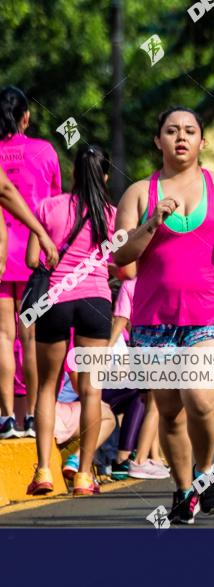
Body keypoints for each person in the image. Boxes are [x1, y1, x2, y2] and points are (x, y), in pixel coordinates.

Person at [114, 106, 214, 523]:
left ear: (202, 141)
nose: (181, 137)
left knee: (199, 397)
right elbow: (122, 256)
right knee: (170, 409)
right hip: (153, 320)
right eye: (171, 131)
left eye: (190, 131)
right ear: (158, 140)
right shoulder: (140, 193)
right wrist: (151, 223)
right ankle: (182, 489)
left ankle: (205, 471)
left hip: (210, 313)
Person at [25, 145, 133, 496]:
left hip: (55, 300)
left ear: (73, 173)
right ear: (104, 177)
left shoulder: (48, 207)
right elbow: (127, 267)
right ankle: (85, 475)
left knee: (46, 387)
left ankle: (43, 470)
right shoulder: (111, 214)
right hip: (96, 302)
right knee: (91, 390)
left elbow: (31, 259)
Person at [0, 86, 63, 439]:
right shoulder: (44, 151)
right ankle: (35, 417)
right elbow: (54, 206)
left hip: (0, 253)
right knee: (31, 338)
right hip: (35, 254)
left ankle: (7, 417)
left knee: (2, 336)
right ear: (26, 117)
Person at [106, 276, 169, 479]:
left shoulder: (130, 284)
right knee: (155, 406)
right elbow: (122, 320)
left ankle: (155, 458)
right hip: (160, 346)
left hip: (140, 347)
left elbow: (121, 319)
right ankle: (141, 459)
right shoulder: (161, 280)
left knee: (151, 402)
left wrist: (108, 347)